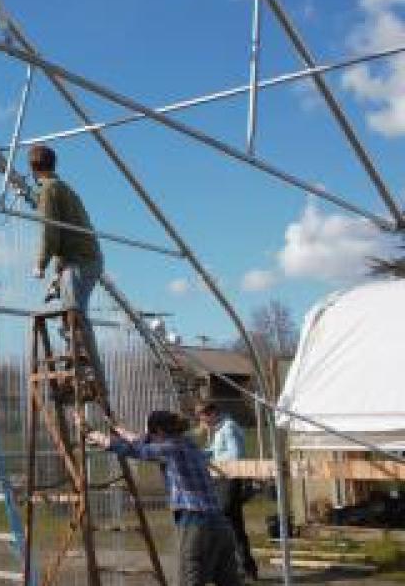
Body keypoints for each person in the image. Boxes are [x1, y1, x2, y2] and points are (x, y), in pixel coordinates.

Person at [88, 411, 241, 586]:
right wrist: (118, 428)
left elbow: (137, 449)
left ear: (159, 432)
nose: (149, 438)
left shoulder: (169, 449)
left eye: (151, 434)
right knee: (228, 580)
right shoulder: (187, 443)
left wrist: (95, 436)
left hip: (196, 524)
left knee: (190, 579)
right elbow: (141, 441)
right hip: (221, 525)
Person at [29, 144, 105, 378]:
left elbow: (50, 230)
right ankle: (79, 362)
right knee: (73, 313)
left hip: (79, 260)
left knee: (75, 315)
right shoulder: (62, 188)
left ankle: (87, 369)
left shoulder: (48, 190)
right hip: (84, 257)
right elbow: (59, 226)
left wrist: (40, 264)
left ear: (33, 168)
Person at [198, 401, 259, 581]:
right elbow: (217, 451)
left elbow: (235, 455)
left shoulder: (229, 428)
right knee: (235, 525)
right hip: (223, 481)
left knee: (225, 522)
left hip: (230, 482)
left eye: (204, 418)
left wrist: (214, 460)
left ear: (213, 413)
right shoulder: (221, 429)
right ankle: (246, 567)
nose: (204, 423)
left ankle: (235, 567)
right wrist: (202, 454)